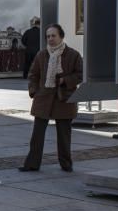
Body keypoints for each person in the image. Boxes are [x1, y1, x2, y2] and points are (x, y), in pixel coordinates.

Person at [19, 24, 83, 173]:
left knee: (64, 135)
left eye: (53, 36)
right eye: (48, 36)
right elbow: (33, 74)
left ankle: (66, 164)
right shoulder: (42, 55)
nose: (50, 39)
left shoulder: (73, 55)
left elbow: (80, 74)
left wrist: (65, 81)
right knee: (37, 135)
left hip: (64, 99)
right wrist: (34, 90)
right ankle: (32, 164)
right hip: (43, 99)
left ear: (61, 36)